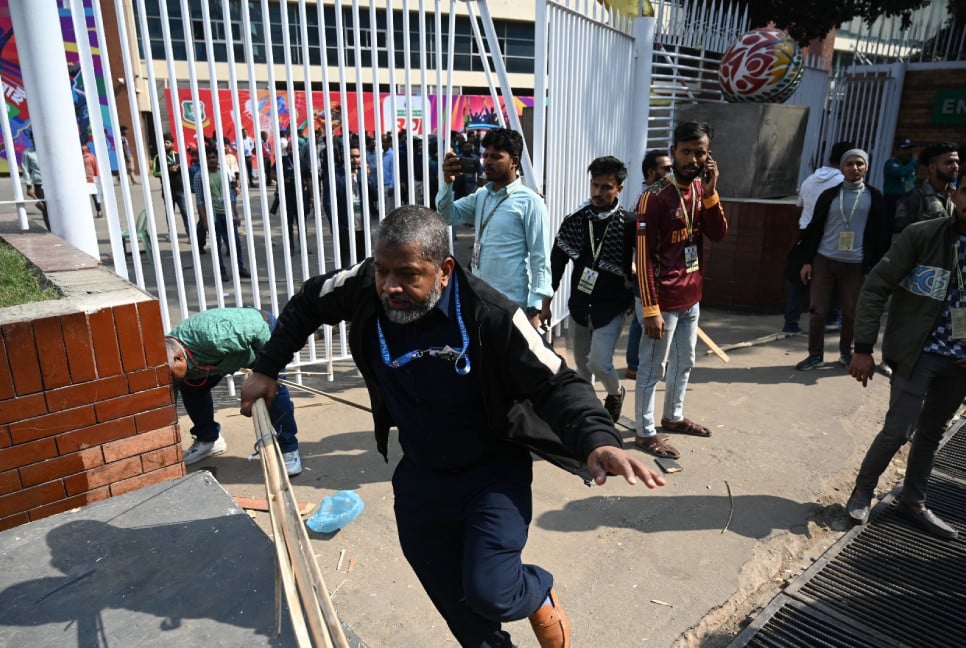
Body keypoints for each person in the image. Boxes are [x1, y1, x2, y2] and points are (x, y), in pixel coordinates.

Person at [239, 206, 665, 648]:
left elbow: (556, 383)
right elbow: (310, 300)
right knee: (453, 599)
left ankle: (536, 590)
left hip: (492, 471)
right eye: (383, 272)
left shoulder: (491, 315)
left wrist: (597, 440)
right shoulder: (367, 286)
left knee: (491, 591)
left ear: (443, 270)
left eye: (406, 274)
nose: (389, 287)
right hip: (421, 470)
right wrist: (268, 367)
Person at [844, 165, 966, 540]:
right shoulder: (922, 235)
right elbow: (876, 287)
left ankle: (914, 502)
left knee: (932, 432)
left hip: (960, 360)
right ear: (957, 194)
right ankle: (862, 491)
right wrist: (863, 347)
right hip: (920, 351)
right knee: (899, 429)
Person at [633, 121, 727, 459]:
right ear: (674, 152)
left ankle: (672, 416)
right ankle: (645, 432)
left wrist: (713, 190)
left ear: (708, 156)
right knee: (652, 368)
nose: (693, 158)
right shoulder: (654, 196)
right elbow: (642, 257)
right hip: (663, 299)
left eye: (699, 152)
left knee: (684, 361)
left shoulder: (702, 191)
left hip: (692, 295)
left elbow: (718, 233)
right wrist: (650, 308)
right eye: (686, 151)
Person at [543, 156, 635, 422]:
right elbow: (556, 264)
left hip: (612, 307)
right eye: (595, 185)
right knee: (583, 367)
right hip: (580, 306)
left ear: (619, 188)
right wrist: (546, 303)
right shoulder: (576, 221)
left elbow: (645, 265)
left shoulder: (630, 224)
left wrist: (641, 302)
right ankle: (591, 413)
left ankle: (615, 393)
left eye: (606, 187)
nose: (598, 192)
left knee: (599, 362)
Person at [437, 127, 552, 328]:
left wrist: (534, 309)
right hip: (479, 298)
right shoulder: (482, 195)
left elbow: (540, 258)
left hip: (511, 304)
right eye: (486, 155)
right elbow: (446, 216)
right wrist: (447, 183)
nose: (487, 162)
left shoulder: (530, 202)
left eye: (496, 157)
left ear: (514, 162)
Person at [165, 307, 301, 476]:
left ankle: (289, 449)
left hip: (261, 339)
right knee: (192, 388)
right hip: (220, 359)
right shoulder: (168, 364)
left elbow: (258, 329)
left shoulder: (214, 335)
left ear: (179, 358)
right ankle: (209, 440)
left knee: (273, 392)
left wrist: (266, 370)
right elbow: (167, 408)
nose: (171, 380)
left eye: (171, 375)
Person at [795, 148, 887, 371]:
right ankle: (815, 355)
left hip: (856, 263)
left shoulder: (874, 196)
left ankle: (847, 353)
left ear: (866, 167)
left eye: (859, 164)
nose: (854, 168)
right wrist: (807, 261)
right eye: (849, 164)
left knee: (851, 311)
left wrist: (875, 263)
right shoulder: (830, 195)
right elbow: (814, 228)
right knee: (818, 310)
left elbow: (881, 233)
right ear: (842, 167)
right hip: (824, 260)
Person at [783, 141, 854, 334]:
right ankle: (833, 316)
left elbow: (800, 204)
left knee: (800, 280)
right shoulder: (843, 183)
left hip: (805, 234)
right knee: (834, 276)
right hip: (829, 235)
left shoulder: (810, 179)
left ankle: (791, 323)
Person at [626, 149, 672, 379]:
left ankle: (637, 363)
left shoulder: (663, 197)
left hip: (658, 270)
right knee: (642, 320)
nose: (671, 172)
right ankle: (636, 365)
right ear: (652, 172)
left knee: (641, 319)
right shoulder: (645, 200)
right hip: (644, 271)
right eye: (666, 168)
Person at [192, 141, 251, 280]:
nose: (212, 160)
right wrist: (205, 221)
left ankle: (240, 267)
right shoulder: (199, 176)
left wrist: (236, 214)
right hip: (213, 215)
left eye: (214, 157)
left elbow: (230, 195)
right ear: (204, 159)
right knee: (217, 244)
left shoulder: (223, 172)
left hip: (227, 213)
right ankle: (221, 270)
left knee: (235, 241)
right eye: (209, 158)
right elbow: (199, 201)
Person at [893, 142, 960, 233]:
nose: (956, 166)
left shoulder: (958, 197)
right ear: (932, 167)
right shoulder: (913, 199)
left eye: (957, 162)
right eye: (949, 162)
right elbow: (900, 239)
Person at [152, 133, 193, 237]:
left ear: (172, 144)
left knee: (185, 212)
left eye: (167, 142)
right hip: (167, 190)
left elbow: (187, 169)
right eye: (163, 142)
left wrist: (180, 167)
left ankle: (190, 234)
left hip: (180, 189)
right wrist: (168, 170)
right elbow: (155, 173)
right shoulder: (158, 157)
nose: (165, 144)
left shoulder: (178, 155)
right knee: (170, 214)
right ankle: (172, 234)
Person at [881, 137, 917, 229]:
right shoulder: (891, 163)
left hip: (907, 199)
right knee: (888, 228)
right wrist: (913, 163)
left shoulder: (909, 165)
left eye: (909, 149)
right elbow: (900, 172)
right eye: (904, 149)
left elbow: (911, 181)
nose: (908, 152)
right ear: (897, 150)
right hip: (892, 200)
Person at [21, 134, 48, 230]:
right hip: (39, 185)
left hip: (53, 184)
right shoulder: (28, 153)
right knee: (46, 209)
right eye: (34, 138)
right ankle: (52, 230)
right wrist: (29, 186)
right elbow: (26, 170)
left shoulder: (48, 149)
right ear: (32, 139)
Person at [82, 144, 102, 218]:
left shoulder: (91, 157)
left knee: (95, 197)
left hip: (91, 180)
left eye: (84, 146)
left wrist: (97, 177)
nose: (83, 148)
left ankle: (99, 210)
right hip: (82, 180)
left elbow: (96, 167)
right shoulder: (77, 157)